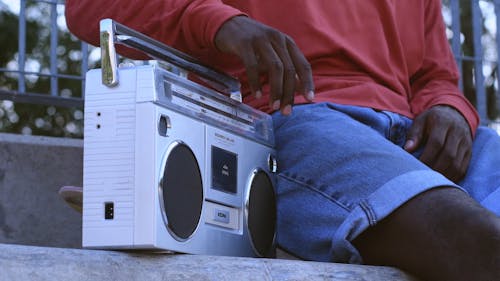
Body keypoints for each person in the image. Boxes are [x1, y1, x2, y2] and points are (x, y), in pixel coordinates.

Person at [65, 1, 500, 280]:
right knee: (473, 238)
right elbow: (90, 7)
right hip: (292, 118)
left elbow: (434, 74)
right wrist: (218, 22)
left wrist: (449, 107)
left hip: (417, 136)